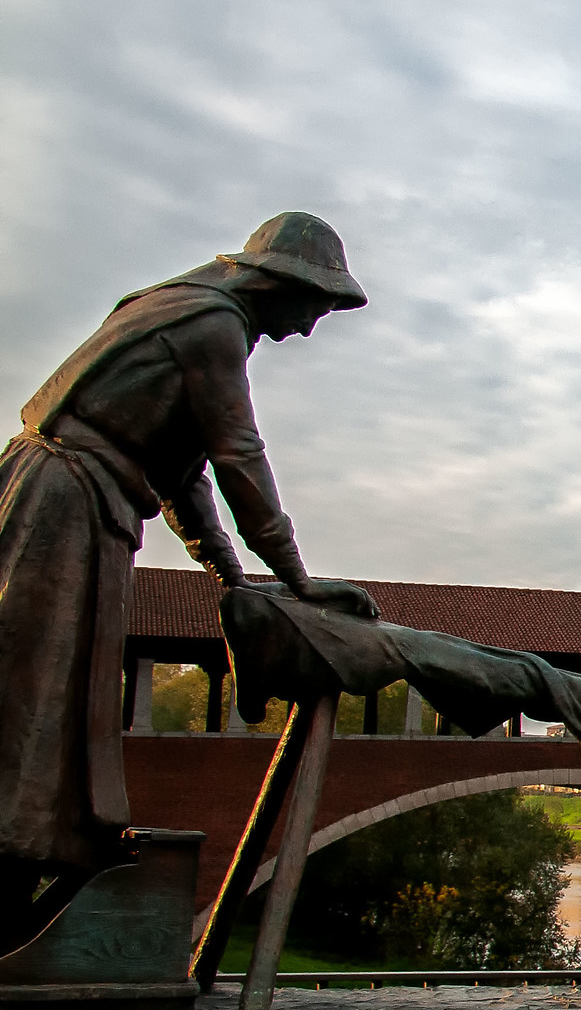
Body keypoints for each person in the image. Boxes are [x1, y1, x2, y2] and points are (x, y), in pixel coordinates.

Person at [1, 212, 377, 945]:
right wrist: (298, 583)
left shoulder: (168, 305)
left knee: (43, 693)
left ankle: (22, 880)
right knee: (35, 698)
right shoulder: (212, 324)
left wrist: (232, 574)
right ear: (284, 283)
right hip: (65, 508)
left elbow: (183, 472)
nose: (306, 329)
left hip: (66, 497)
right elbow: (238, 457)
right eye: (316, 308)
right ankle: (11, 874)